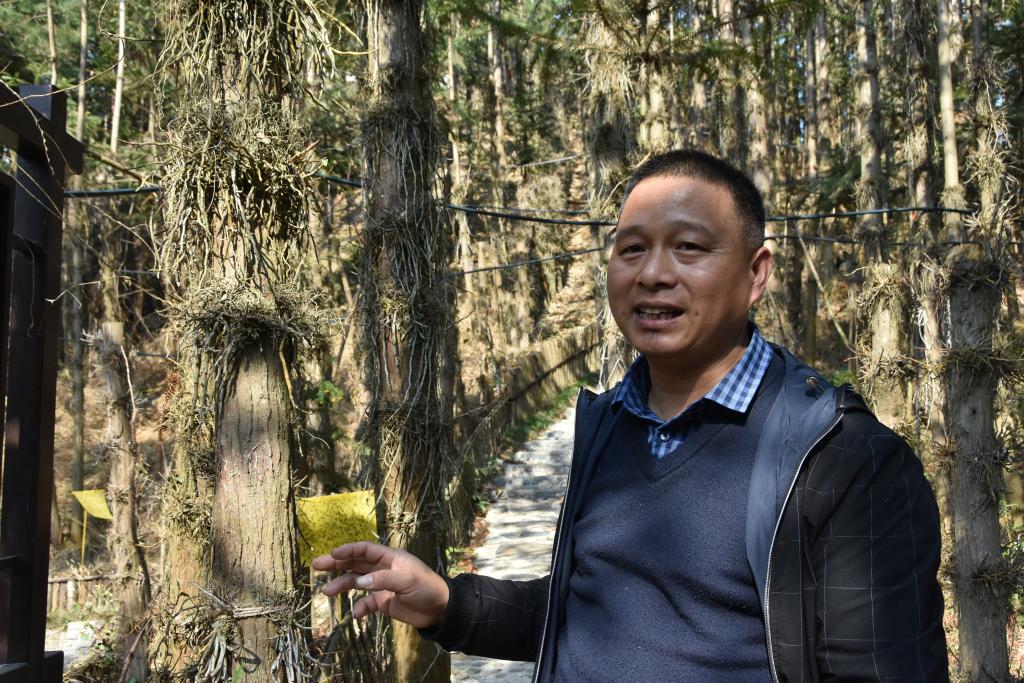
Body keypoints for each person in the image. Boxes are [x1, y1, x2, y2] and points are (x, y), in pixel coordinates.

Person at [313, 150, 948, 681]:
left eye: (689, 248)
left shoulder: (844, 459)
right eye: (631, 249)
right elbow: (590, 612)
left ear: (756, 274)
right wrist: (447, 603)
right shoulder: (611, 424)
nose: (653, 274)